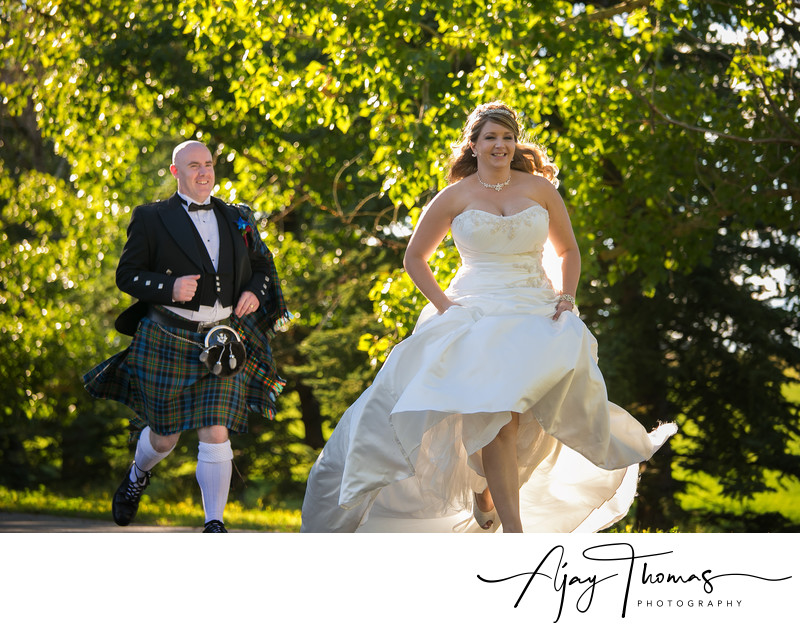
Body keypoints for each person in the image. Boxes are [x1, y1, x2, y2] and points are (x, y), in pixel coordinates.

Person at [300, 102, 676, 533]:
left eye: (508, 138)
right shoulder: (455, 197)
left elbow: (568, 251)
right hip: (474, 314)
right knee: (497, 418)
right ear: (474, 145)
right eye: (491, 138)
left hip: (533, 310)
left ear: (515, 145)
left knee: (520, 420)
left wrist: (567, 300)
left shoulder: (539, 190)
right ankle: (515, 536)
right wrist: (445, 307)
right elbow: (415, 258)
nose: (500, 145)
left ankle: (486, 489)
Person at [83, 140, 289, 532]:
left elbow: (263, 266)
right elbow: (127, 275)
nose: (204, 172)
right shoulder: (152, 217)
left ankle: (214, 524)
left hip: (224, 339)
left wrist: (252, 291)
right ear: (176, 171)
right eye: (193, 165)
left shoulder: (238, 216)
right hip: (170, 338)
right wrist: (169, 287)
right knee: (164, 438)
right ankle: (136, 476)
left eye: (209, 164)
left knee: (216, 428)